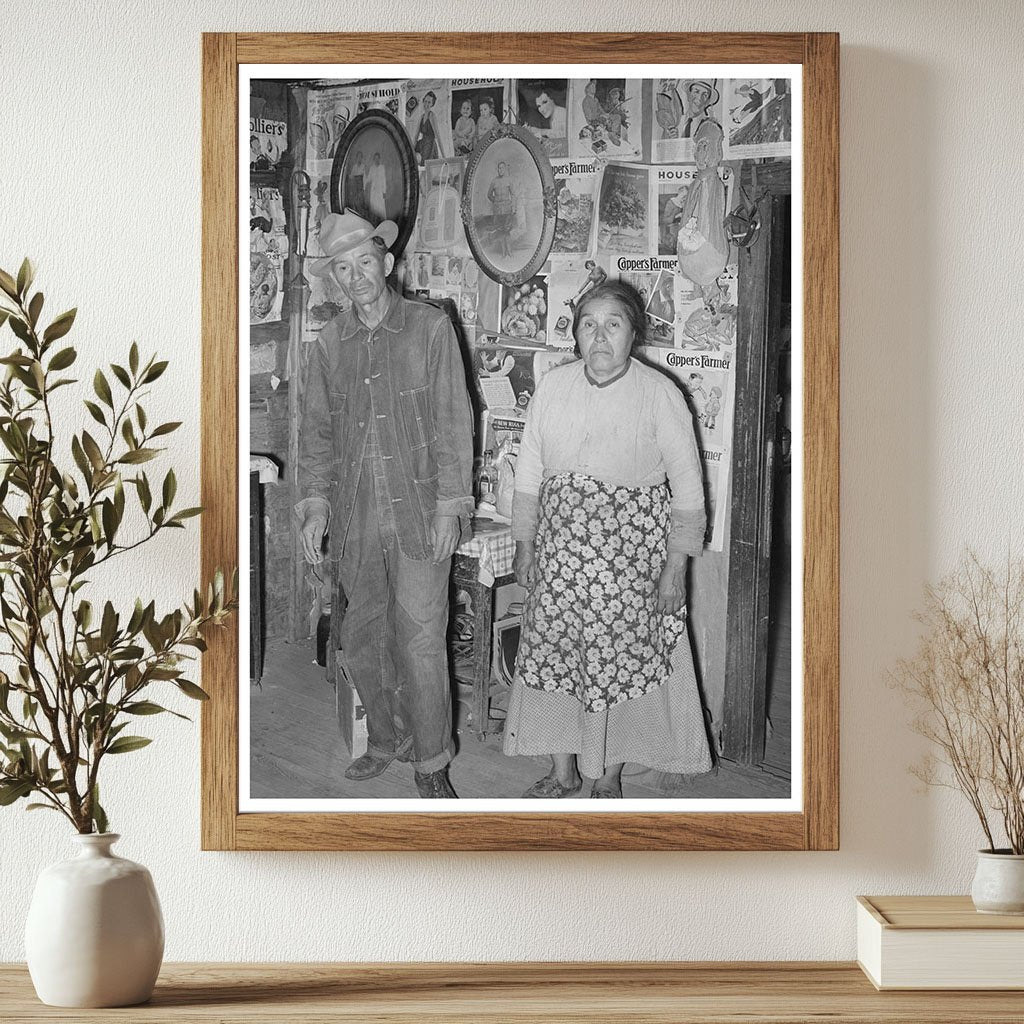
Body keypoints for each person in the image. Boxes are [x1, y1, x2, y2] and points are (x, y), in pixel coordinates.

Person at [503, 281, 711, 798]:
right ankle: (562, 770)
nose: (599, 336)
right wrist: (525, 545)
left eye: (612, 324)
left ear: (633, 333)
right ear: (575, 334)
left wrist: (675, 568)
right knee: (553, 660)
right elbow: (529, 472)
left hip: (630, 563)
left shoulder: (661, 394)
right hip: (558, 559)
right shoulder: (553, 386)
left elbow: (688, 488)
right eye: (588, 324)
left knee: (618, 667)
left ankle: (609, 776)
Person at [299, 211, 474, 799]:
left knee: (422, 637)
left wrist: (452, 503)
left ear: (387, 263)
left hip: (421, 509)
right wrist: (316, 504)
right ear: (335, 280)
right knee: (364, 633)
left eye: (364, 263)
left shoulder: (429, 328)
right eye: (342, 270)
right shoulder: (328, 345)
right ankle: (383, 740)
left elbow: (455, 421)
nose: (356, 278)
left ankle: (431, 763)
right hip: (356, 516)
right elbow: (318, 434)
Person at [487, 161, 516, 258]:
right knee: (500, 232)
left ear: (505, 169)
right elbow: (489, 195)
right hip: (498, 210)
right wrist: (496, 201)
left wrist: (513, 207)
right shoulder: (494, 181)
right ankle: (503, 252)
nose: (500, 170)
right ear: (497, 170)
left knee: (507, 231)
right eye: (499, 168)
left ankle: (510, 251)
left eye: (502, 168)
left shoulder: (509, 180)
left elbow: (513, 194)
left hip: (507, 209)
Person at [413, 90, 441, 165]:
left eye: (429, 102)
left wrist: (445, 157)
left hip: (430, 146)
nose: (426, 104)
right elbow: (416, 136)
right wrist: (411, 149)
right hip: (422, 143)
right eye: (425, 101)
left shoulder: (432, 116)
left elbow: (438, 136)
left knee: (426, 166)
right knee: (414, 159)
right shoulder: (421, 117)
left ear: (432, 104)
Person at [364, 151, 387, 222]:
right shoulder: (372, 168)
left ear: (379, 159)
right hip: (373, 191)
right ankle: (374, 222)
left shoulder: (382, 167)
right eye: (375, 158)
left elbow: (384, 180)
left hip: (380, 191)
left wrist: (384, 191)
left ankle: (382, 222)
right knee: (374, 207)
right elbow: (369, 179)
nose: (376, 160)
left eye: (378, 158)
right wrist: (364, 173)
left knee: (381, 207)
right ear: (374, 159)